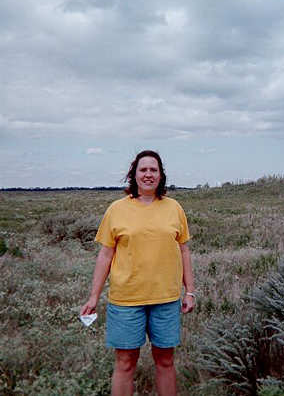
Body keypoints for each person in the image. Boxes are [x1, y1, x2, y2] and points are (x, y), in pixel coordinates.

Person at [80, 150, 196, 396]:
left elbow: (184, 251)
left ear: (161, 175)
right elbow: (105, 255)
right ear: (134, 174)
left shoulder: (174, 208)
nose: (148, 174)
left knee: (165, 362)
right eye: (143, 170)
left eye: (153, 170)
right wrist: (93, 296)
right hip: (126, 300)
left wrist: (190, 292)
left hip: (165, 299)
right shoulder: (116, 209)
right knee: (125, 363)